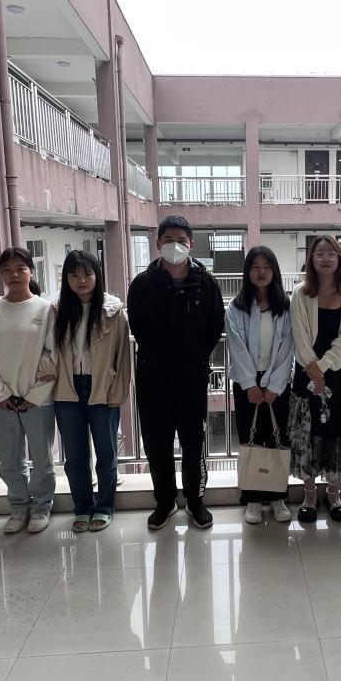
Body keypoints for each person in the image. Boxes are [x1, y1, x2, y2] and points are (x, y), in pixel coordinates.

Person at [128, 215, 224, 530]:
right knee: (157, 443)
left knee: (193, 443)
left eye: (181, 240)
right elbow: (137, 326)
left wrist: (193, 357)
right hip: (152, 378)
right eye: (168, 240)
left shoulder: (205, 282)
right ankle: (165, 501)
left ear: (191, 244)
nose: (175, 245)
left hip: (191, 378)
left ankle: (195, 501)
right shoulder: (142, 284)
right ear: (158, 244)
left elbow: (214, 327)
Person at [0, 247, 57, 534]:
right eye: (7, 270)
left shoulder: (45, 309)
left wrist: (36, 394)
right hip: (2, 401)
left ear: (31, 272)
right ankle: (19, 507)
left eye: (20, 268)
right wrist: (0, 394)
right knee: (9, 459)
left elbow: (53, 354)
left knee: (42, 458)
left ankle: (42, 506)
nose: (14, 275)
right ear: (1, 274)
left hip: (38, 400)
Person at [52, 250, 130, 532]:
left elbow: (123, 356)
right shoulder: (57, 310)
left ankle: (105, 506)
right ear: (66, 279)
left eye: (87, 273)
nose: (81, 280)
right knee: (74, 456)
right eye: (74, 275)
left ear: (97, 275)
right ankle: (83, 507)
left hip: (102, 388)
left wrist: (118, 393)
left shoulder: (113, 311)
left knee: (106, 453)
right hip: (67, 389)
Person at [289, 235, 341, 524]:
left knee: (337, 433)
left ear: (339, 258)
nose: (325, 258)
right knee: (307, 435)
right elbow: (299, 336)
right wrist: (314, 370)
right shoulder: (300, 293)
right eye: (319, 253)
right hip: (306, 372)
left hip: (340, 373)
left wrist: (323, 368)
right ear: (311, 259)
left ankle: (334, 496)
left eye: (331, 253)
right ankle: (309, 496)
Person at [225, 246, 295, 524]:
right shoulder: (236, 307)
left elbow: (288, 347)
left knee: (277, 439)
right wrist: (250, 384)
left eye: (267, 266)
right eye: (255, 266)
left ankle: (278, 496)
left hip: (278, 383)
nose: (261, 271)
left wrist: (274, 385)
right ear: (248, 272)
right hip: (247, 384)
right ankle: (252, 499)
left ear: (274, 271)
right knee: (251, 438)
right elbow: (236, 348)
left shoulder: (286, 306)